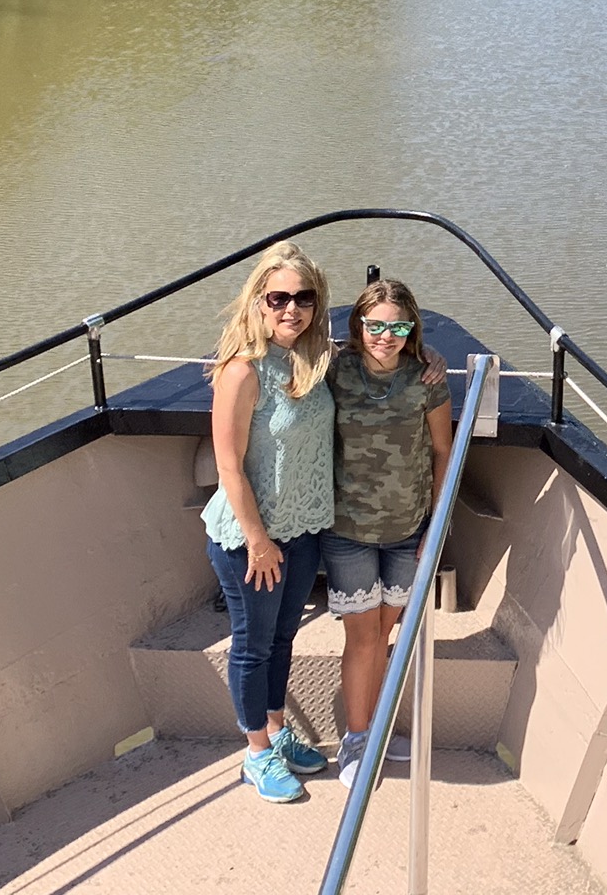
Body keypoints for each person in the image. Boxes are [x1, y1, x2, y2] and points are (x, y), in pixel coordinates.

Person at [200, 241, 337, 803]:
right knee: (253, 644)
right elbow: (228, 466)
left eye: (304, 298)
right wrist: (257, 540)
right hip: (250, 539)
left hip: (302, 530)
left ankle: (277, 732)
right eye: (278, 298)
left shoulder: (314, 360)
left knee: (283, 637)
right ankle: (256, 753)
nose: (291, 309)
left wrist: (428, 361)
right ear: (258, 301)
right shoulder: (242, 371)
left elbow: (386, 351)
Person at [322, 278, 453, 789]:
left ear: (411, 329)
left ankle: (375, 728)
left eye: (397, 328)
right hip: (348, 530)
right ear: (358, 325)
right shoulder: (335, 370)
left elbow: (442, 450)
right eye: (374, 326)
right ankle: (357, 740)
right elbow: (287, 359)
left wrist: (437, 525)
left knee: (384, 632)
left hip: (407, 530)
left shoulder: (427, 377)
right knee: (362, 637)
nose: (385, 337)